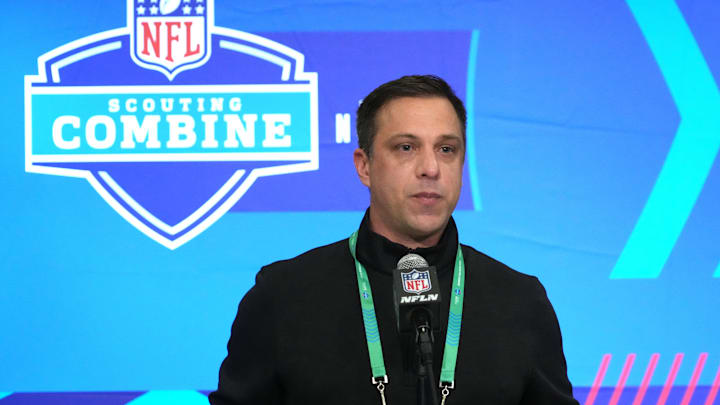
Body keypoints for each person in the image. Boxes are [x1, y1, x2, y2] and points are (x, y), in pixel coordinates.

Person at [209, 75, 579, 405]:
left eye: (446, 149)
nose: (430, 168)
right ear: (364, 166)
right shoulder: (282, 295)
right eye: (406, 147)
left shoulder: (520, 301)